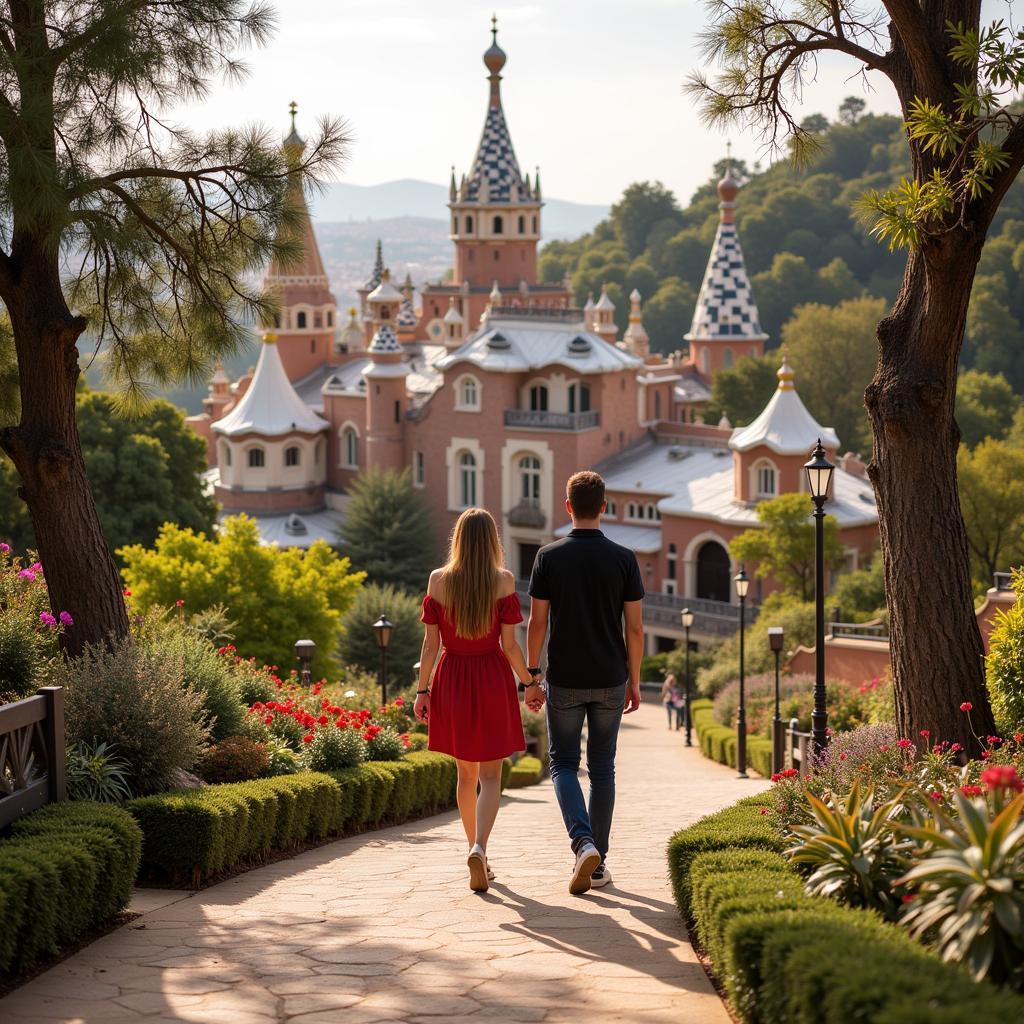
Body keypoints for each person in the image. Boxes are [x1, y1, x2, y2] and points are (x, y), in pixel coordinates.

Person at [526, 470, 644, 895]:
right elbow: (635, 629)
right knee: (603, 768)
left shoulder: (548, 557)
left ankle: (583, 843)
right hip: (611, 676)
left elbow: (537, 622)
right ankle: (597, 866)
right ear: (605, 506)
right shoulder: (624, 558)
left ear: (568, 506)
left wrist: (532, 677)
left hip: (566, 678)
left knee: (562, 764)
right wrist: (635, 680)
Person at [414, 507, 533, 893]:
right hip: (493, 678)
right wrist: (531, 681)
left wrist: (422, 691)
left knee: (465, 776)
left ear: (459, 539)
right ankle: (482, 847)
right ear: (493, 541)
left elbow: (430, 645)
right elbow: (511, 646)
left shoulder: (438, 580)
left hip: (452, 678)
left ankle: (473, 848)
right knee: (491, 775)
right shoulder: (503, 581)